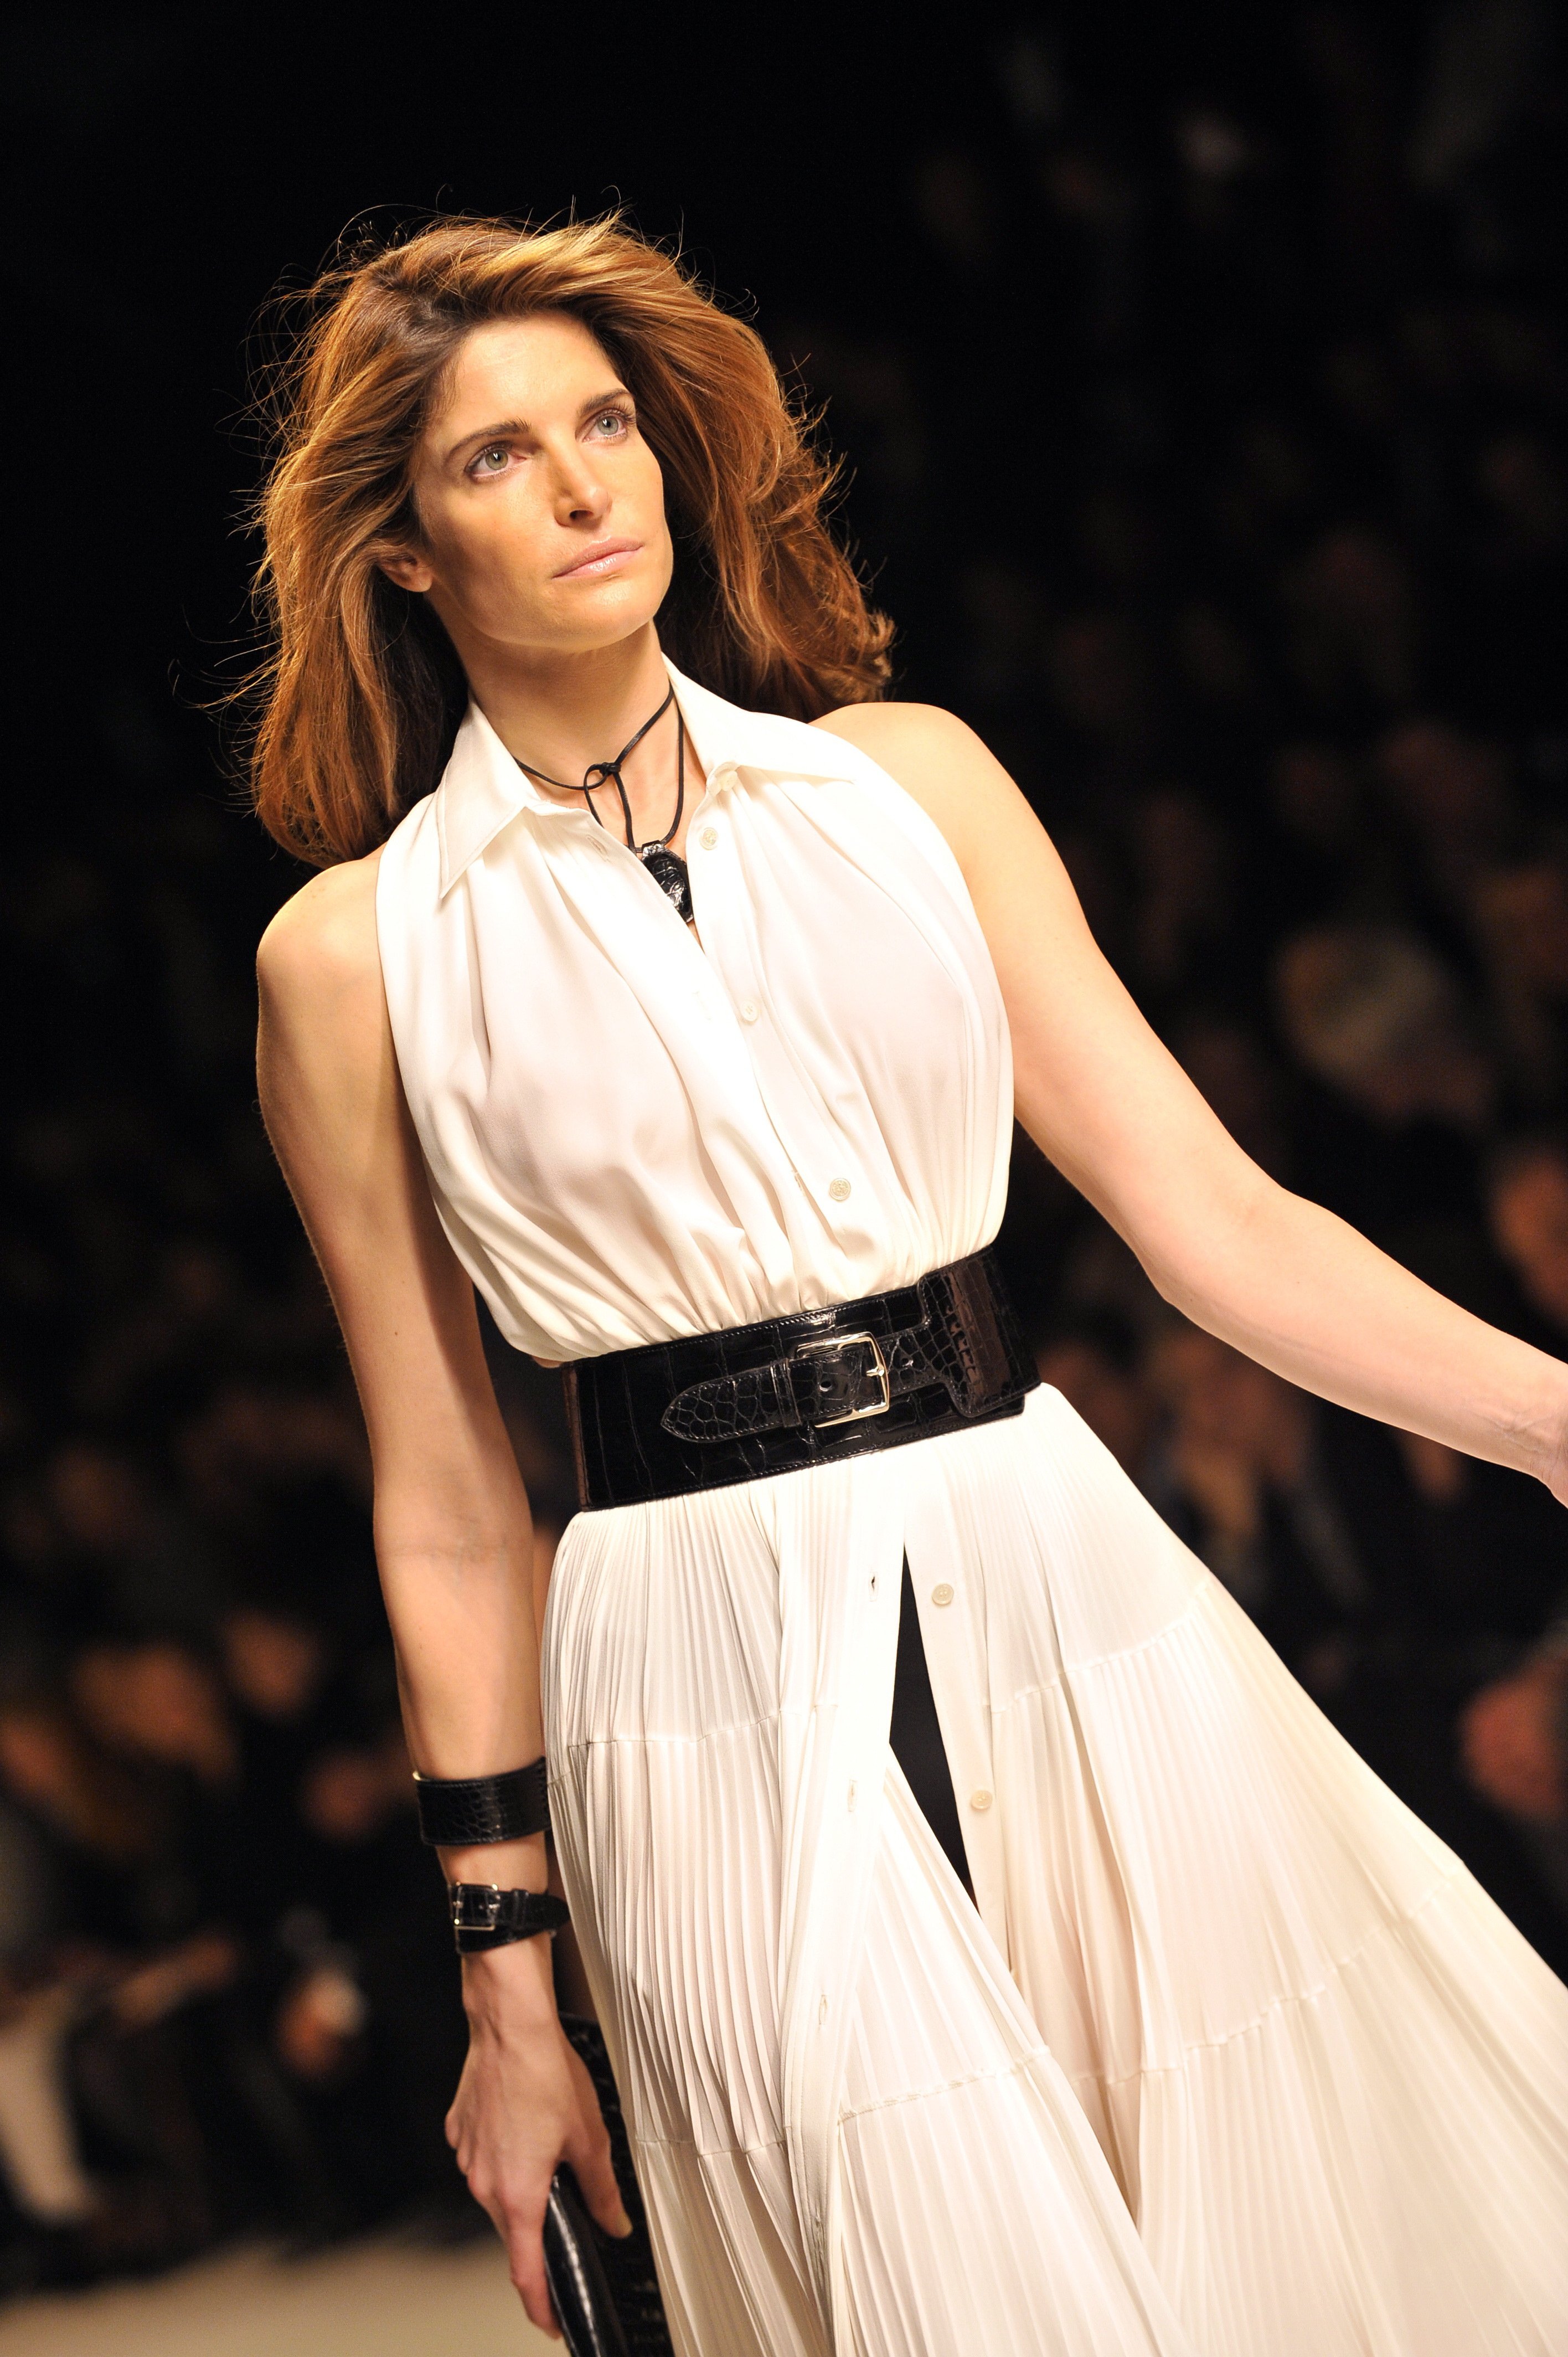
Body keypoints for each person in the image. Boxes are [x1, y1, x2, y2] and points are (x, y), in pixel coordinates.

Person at [247, 215, 1568, 2356]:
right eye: (497, 457)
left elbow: (1216, 1226)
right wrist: (508, 1996)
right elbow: (451, 1506)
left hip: (1054, 1586)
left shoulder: (908, 787)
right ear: (399, 545)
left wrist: (1557, 1426)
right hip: (689, 1677)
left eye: (606, 422)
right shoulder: (353, 961)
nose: (583, 487)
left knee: (1267, 2247)